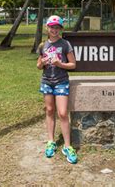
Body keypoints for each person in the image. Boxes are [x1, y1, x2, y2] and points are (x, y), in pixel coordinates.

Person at [37, 15, 77, 164]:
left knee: (62, 113)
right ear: (47, 28)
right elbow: (38, 65)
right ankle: (51, 141)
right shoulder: (42, 46)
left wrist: (60, 64)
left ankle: (67, 146)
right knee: (49, 110)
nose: (54, 30)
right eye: (52, 27)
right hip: (47, 81)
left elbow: (73, 64)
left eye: (57, 27)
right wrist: (43, 62)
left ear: (60, 29)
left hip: (61, 82)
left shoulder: (65, 44)